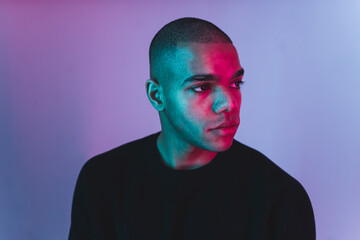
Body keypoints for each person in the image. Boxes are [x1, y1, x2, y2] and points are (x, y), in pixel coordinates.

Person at [68, 17, 316, 239]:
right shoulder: (102, 181)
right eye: (202, 87)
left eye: (236, 83)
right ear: (157, 96)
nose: (228, 103)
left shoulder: (280, 199)